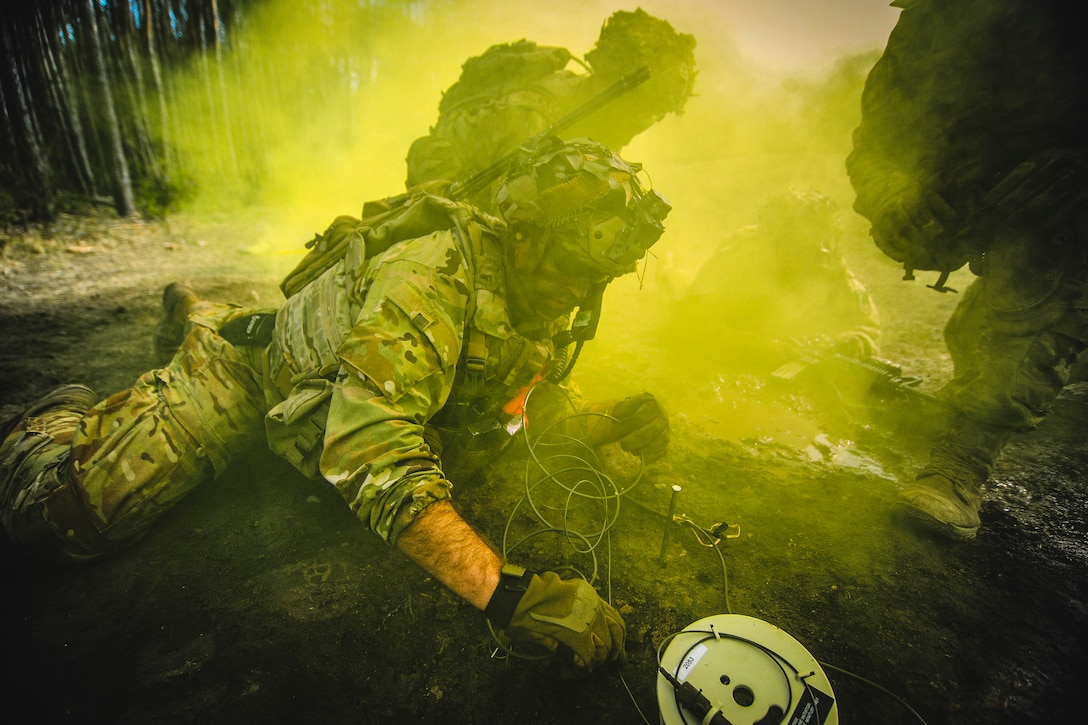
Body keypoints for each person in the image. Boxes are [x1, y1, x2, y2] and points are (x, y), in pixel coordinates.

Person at [0, 137, 672, 673]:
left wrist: (606, 416)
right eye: (572, 271)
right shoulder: (431, 277)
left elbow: (511, 402)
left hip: (328, 381)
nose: (581, 296)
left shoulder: (543, 288)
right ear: (523, 235)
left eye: (598, 278)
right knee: (54, 524)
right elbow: (367, 449)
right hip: (245, 377)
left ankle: (199, 309)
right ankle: (71, 407)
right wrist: (508, 592)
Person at [846, 0, 1088, 540]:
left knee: (1040, 275)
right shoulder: (925, 21)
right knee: (973, 335)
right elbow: (871, 143)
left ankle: (961, 467)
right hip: (977, 194)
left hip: (1062, 213)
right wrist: (891, 197)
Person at [405, 8, 696, 209]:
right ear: (612, 83)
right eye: (643, 107)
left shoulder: (594, 126)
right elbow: (500, 219)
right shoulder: (535, 115)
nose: (645, 121)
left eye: (656, 113)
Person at [681, 187, 880, 372]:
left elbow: (866, 325)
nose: (818, 251)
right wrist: (764, 349)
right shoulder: (739, 259)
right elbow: (692, 325)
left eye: (822, 241)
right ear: (776, 238)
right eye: (803, 243)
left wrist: (851, 343)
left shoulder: (825, 259)